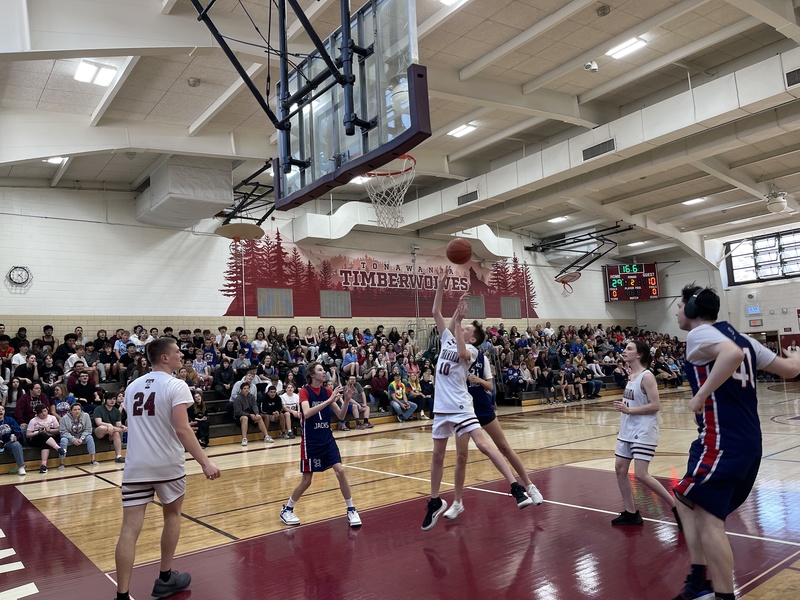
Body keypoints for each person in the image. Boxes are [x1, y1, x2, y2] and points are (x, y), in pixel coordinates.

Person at [672, 285, 800, 600]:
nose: (676, 312)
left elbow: (731, 355)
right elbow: (790, 370)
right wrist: (797, 355)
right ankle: (700, 579)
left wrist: (700, 397)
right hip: (745, 441)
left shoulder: (699, 335)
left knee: (709, 518)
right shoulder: (746, 339)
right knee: (686, 500)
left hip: (723, 441)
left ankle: (721, 594)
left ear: (691, 311)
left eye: (678, 306)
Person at [422, 270, 533, 532]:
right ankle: (435, 500)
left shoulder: (472, 349)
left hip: (461, 406)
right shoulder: (447, 339)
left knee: (484, 444)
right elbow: (436, 312)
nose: (465, 325)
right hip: (441, 408)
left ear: (472, 337)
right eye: (465, 325)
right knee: (437, 456)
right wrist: (440, 286)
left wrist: (459, 322)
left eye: (469, 328)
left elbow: (460, 351)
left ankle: (515, 487)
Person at [114, 337, 221, 600]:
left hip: (136, 465)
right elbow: (182, 428)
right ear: (164, 357)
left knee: (129, 529)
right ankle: (164, 578)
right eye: (176, 352)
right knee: (172, 516)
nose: (181, 356)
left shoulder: (132, 387)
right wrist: (205, 462)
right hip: (167, 465)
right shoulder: (177, 385)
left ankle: (122, 595)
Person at [444, 347, 544, 521]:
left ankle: (529, 485)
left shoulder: (482, 359)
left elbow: (490, 386)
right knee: (461, 456)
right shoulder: (455, 357)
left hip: (482, 407)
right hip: (464, 410)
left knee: (504, 446)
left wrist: (478, 380)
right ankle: (458, 502)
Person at [279, 363, 362, 528]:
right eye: (320, 370)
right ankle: (287, 509)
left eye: (323, 370)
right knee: (307, 481)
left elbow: (341, 415)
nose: (323, 372)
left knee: (341, 470)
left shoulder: (327, 392)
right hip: (311, 442)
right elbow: (307, 413)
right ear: (311, 374)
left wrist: (345, 400)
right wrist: (329, 400)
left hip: (327, 439)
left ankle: (351, 509)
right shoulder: (304, 391)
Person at [610, 341, 679, 527]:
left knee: (641, 474)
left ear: (639, 355)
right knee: (620, 469)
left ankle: (676, 506)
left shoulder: (647, 376)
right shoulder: (631, 375)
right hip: (627, 429)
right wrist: (625, 409)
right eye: (624, 348)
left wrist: (628, 410)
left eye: (629, 349)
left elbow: (655, 405)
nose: (624, 351)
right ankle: (631, 512)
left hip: (643, 429)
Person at [59, 402, 99, 470]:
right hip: (70, 438)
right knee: (63, 440)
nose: (77, 411)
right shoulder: (64, 418)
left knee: (90, 438)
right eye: (75, 410)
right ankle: (61, 463)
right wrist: (73, 439)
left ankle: (93, 460)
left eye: (78, 409)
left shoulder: (86, 416)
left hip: (81, 437)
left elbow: (88, 429)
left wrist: (81, 438)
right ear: (70, 411)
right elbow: (63, 432)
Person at [233, 381, 273, 446]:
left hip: (250, 414)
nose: (246, 390)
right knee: (245, 418)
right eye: (245, 388)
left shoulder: (251, 396)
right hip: (239, 416)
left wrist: (256, 413)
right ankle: (244, 439)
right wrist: (249, 415)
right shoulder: (238, 399)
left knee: (259, 417)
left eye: (247, 388)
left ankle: (266, 436)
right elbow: (238, 412)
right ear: (241, 389)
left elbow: (254, 406)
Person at [26, 403, 61, 474]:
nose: (44, 414)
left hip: (50, 438)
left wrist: (49, 430)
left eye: (45, 411)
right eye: (41, 412)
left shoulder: (52, 418)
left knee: (46, 442)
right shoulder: (33, 420)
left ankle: (43, 466)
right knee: (42, 435)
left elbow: (58, 431)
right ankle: (58, 448)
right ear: (37, 414)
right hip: (36, 440)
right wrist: (38, 432)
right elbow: (28, 435)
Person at [94, 393, 127, 463]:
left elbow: (118, 424)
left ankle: (118, 456)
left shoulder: (116, 411)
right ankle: (127, 429)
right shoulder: (98, 409)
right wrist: (109, 425)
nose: (112, 401)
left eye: (114, 399)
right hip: (99, 432)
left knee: (117, 434)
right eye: (110, 399)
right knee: (102, 427)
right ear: (105, 400)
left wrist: (121, 426)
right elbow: (98, 422)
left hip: (110, 432)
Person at [0, 404, 26, 476]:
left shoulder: (10, 420)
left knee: (16, 444)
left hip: (8, 442)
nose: (1, 411)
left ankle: (21, 467)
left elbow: (18, 431)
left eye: (2, 409)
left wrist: (16, 437)